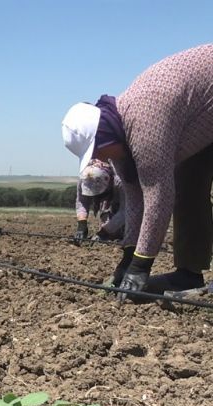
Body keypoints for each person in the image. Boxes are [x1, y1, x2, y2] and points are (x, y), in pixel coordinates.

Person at [62, 44, 213, 298]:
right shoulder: (120, 136)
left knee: (176, 186)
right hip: (203, 117)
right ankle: (189, 273)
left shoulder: (143, 122)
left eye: (98, 152)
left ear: (104, 137)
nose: (100, 159)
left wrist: (141, 265)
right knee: (188, 184)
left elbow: (158, 196)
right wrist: (129, 257)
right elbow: (134, 197)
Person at [74, 159, 125, 242]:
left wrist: (104, 232)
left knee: (122, 230)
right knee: (108, 223)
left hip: (126, 198)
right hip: (109, 196)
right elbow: (82, 201)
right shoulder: (84, 178)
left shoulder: (120, 181)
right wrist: (81, 224)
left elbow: (125, 210)